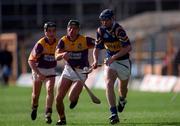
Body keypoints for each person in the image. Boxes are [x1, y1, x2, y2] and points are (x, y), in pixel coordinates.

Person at [92, 9, 132, 124]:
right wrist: (95, 60)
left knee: (122, 89)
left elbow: (128, 48)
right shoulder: (100, 30)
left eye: (106, 20)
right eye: (102, 20)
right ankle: (113, 113)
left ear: (112, 19)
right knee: (109, 84)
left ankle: (122, 99)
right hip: (111, 62)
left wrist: (114, 57)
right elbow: (97, 48)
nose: (103, 22)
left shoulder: (119, 30)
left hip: (123, 61)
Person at [55, 19, 95, 125]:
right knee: (58, 98)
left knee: (71, 97)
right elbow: (56, 56)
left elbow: (99, 46)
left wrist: (96, 61)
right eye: (70, 28)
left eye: (74, 28)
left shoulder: (85, 40)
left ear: (78, 30)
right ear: (67, 29)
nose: (72, 30)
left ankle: (75, 98)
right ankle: (62, 119)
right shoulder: (63, 41)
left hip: (82, 71)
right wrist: (62, 55)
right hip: (68, 70)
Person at [28, 22, 58, 124]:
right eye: (49, 31)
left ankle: (48, 113)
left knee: (50, 90)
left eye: (53, 31)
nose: (51, 33)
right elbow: (31, 61)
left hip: (50, 69)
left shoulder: (58, 43)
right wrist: (38, 73)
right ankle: (34, 107)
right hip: (38, 69)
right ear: (45, 32)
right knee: (36, 95)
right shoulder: (40, 44)